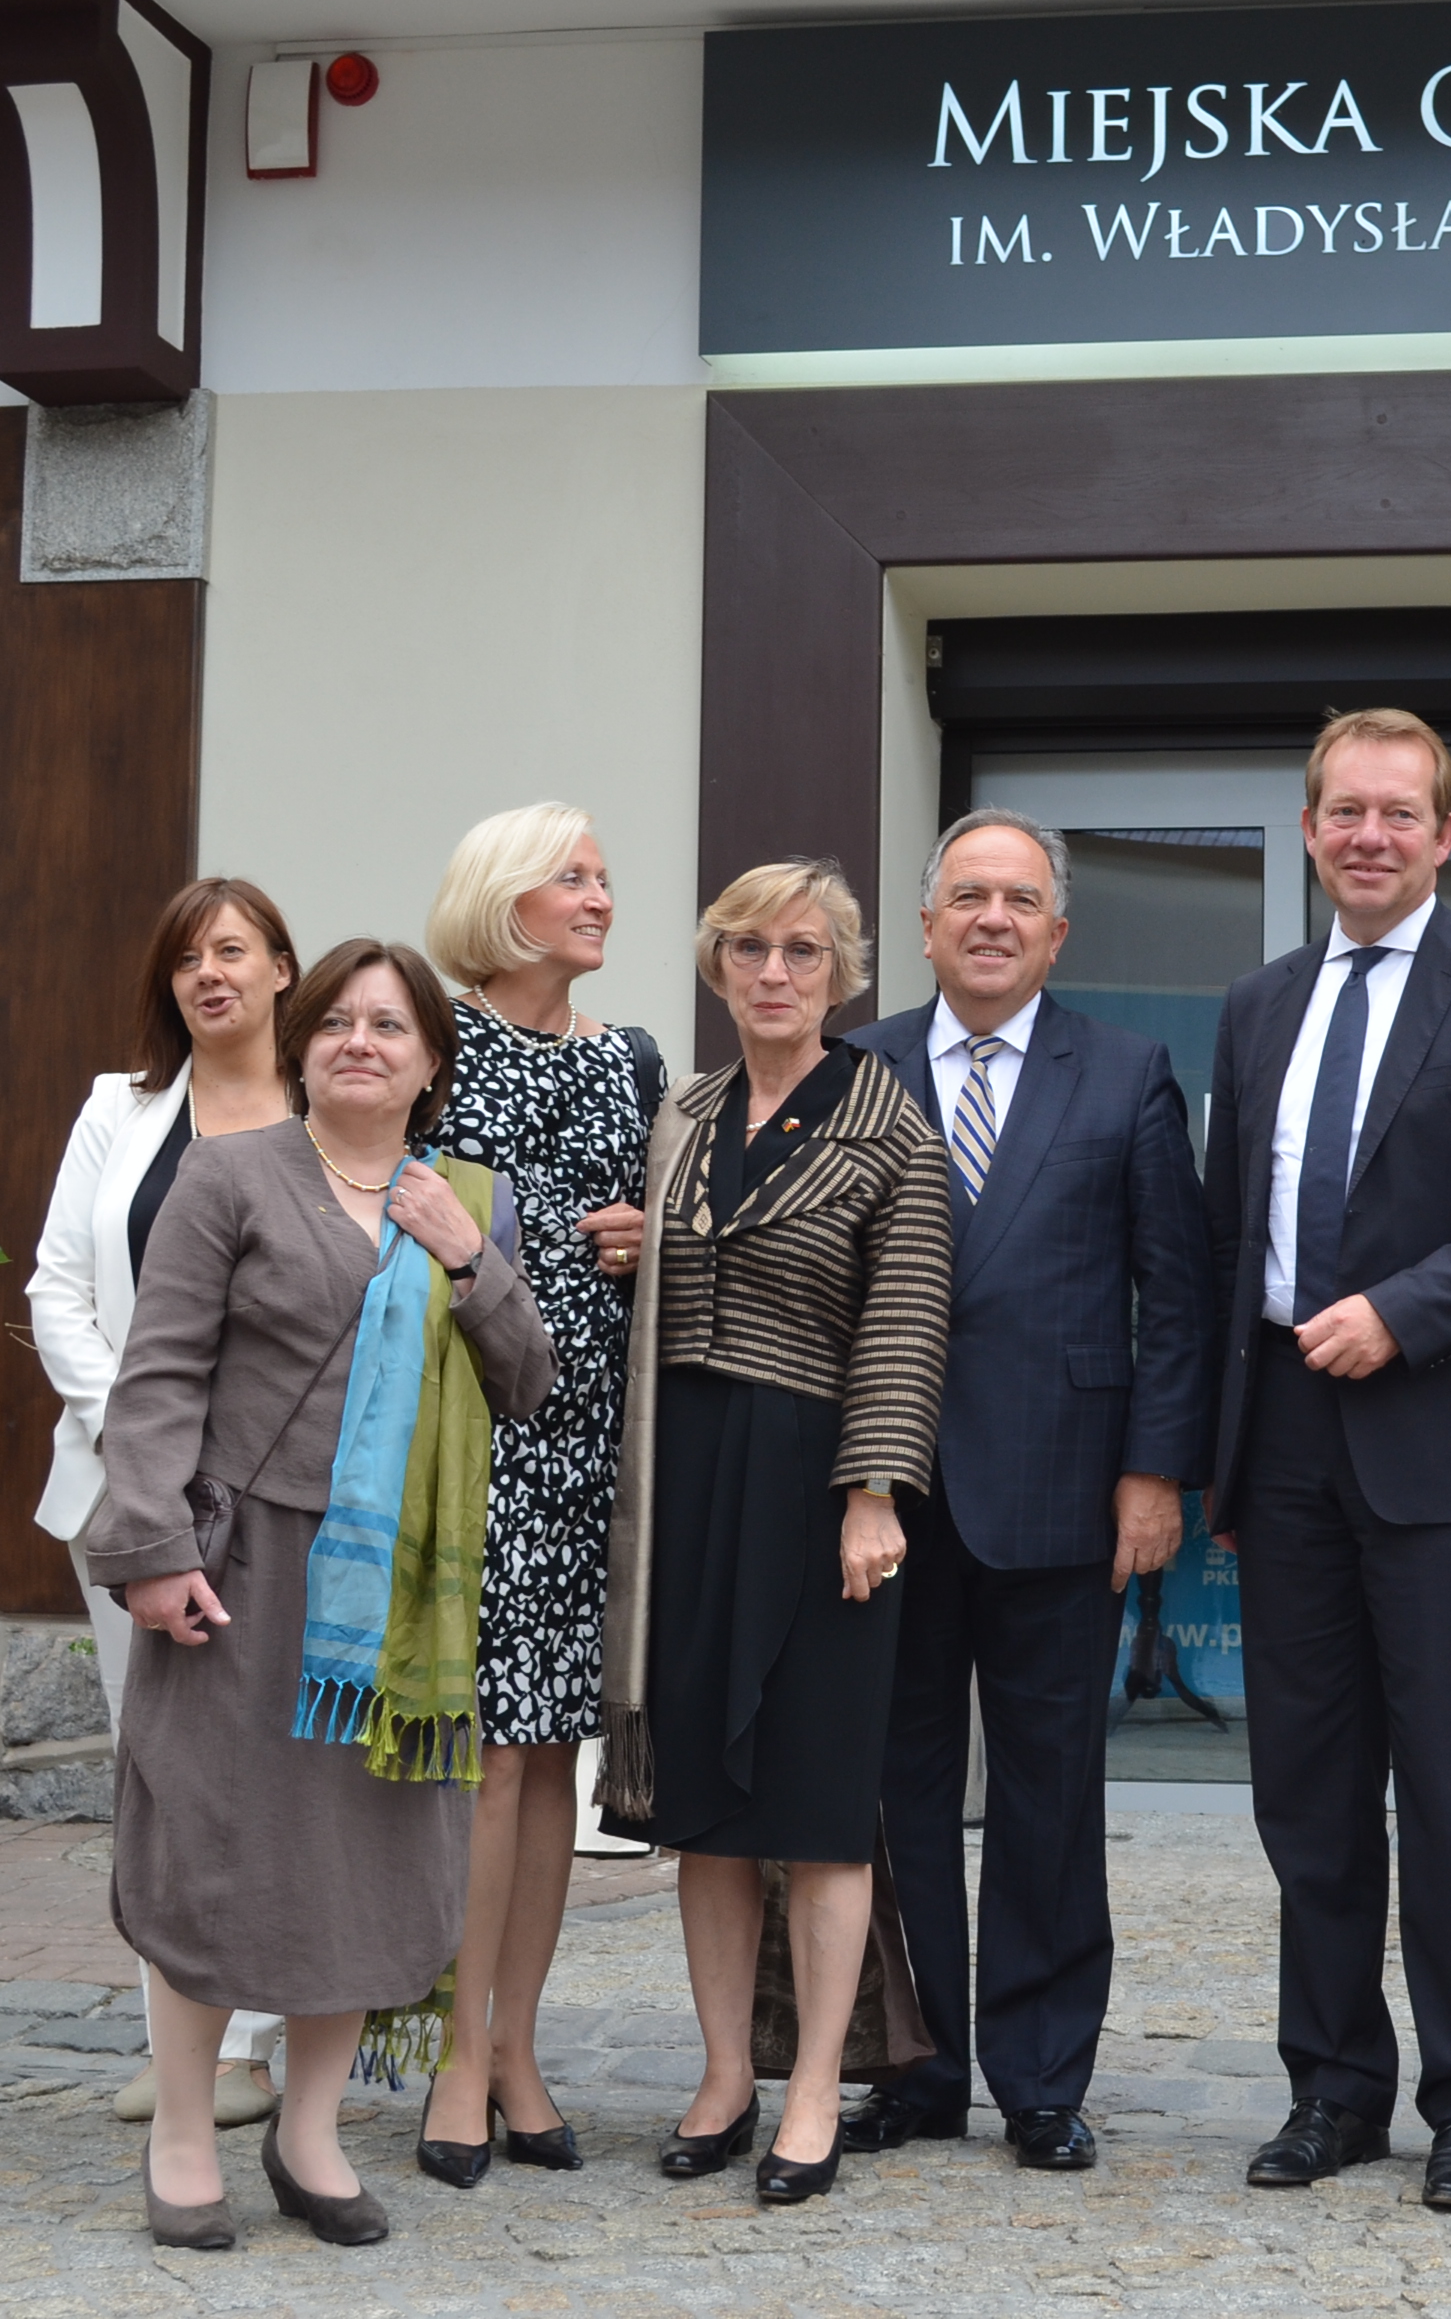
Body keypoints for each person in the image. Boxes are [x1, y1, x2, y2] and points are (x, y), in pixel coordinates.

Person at [1198, 709, 1451, 2211]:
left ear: (1447, 835)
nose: (1368, 835)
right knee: (1305, 1795)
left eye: (1398, 812)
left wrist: (1403, 1314)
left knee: (1449, 1791)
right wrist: (1215, 1458)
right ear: (1310, 830)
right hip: (1286, 1442)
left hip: (1443, 1440)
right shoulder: (1259, 1004)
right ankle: (1333, 2089)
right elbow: (1225, 1235)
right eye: (1344, 811)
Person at [86, 940, 554, 2252]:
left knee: (359, 1861)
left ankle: (309, 2134)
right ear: (301, 1048)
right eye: (337, 1021)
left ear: (431, 1063)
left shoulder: (468, 1198)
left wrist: (469, 1259)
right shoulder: (230, 1176)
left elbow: (526, 1380)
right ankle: (186, 2134)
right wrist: (152, 1550)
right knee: (214, 1847)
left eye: (390, 1026)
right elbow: (160, 1375)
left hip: (396, 1593)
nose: (360, 1042)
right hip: (238, 1576)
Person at [837, 810, 1217, 2170]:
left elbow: (1176, 1295)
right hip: (890, 1491)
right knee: (900, 1789)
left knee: (1050, 1794)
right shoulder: (857, 1065)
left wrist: (1154, 1474)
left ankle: (1043, 2078)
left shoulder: (1124, 1071)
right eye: (967, 896)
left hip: (1065, 1486)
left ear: (1057, 933)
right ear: (927, 925)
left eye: (1018, 900)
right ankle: (920, 2064)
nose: (991, 919)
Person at [593, 859, 955, 2208]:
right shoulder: (682, 1112)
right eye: (748, 948)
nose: (774, 972)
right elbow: (673, 1270)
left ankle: (811, 2089)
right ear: (718, 965)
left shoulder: (889, 1119)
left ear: (842, 973)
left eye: (803, 951)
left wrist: (876, 1492)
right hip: (683, 1479)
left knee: (819, 1806)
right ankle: (721, 2078)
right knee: (706, 1811)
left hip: (817, 1486)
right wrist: (641, 1248)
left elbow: (908, 1317)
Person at [23, 876, 301, 2129]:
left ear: (283, 969)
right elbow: (57, 1291)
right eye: (187, 958)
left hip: (288, 1494)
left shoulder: (325, 1110)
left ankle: (264, 2038)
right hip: (128, 1494)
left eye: (233, 950)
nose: (209, 975)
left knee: (279, 1766)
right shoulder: (119, 1110)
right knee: (161, 1771)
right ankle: (183, 2040)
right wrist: (142, 1442)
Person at [415, 804, 664, 2182]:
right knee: (490, 1760)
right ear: (505, 899)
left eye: (604, 878)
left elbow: (670, 1223)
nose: (600, 897)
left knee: (556, 1748)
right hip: (476, 1437)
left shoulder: (633, 1058)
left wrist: (647, 1236)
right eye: (573, 877)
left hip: (594, 1449)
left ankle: (519, 2045)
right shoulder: (435, 1043)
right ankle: (458, 2052)